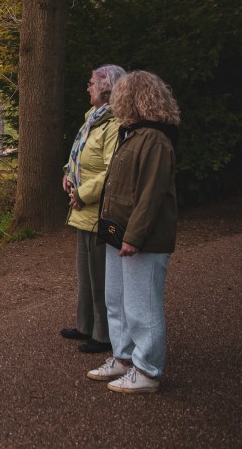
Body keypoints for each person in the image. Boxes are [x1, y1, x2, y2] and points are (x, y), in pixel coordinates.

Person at [85, 71, 179, 394]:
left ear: (134, 98)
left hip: (142, 239)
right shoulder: (132, 134)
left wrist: (134, 237)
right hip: (119, 233)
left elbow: (150, 194)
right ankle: (123, 357)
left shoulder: (154, 138)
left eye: (121, 95)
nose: (115, 101)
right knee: (118, 300)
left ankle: (148, 370)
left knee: (143, 305)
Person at [60, 64, 125, 354]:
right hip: (82, 209)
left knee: (100, 276)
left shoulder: (114, 125)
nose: (87, 88)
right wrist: (67, 174)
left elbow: (112, 169)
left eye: (91, 84)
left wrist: (83, 194)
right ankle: (85, 324)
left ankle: (104, 334)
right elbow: (79, 154)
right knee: (85, 274)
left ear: (105, 88)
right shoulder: (93, 119)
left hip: (98, 210)